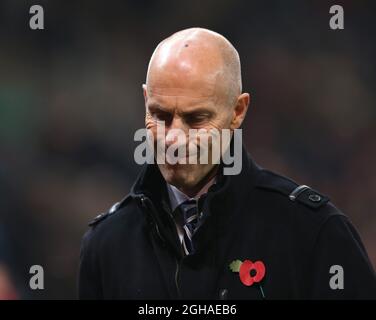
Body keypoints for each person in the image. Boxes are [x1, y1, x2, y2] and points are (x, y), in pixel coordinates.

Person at [78, 28, 376, 299]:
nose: (173, 139)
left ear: (238, 111)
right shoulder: (107, 245)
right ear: (145, 100)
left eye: (196, 119)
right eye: (160, 116)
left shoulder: (313, 233)